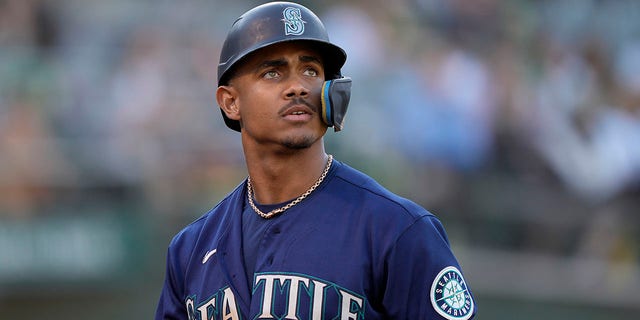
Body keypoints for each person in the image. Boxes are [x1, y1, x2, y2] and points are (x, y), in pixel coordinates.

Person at [155, 2, 476, 319]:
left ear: (330, 92)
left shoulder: (397, 230)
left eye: (311, 70)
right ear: (230, 102)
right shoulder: (191, 249)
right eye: (272, 72)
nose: (297, 86)